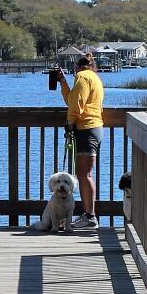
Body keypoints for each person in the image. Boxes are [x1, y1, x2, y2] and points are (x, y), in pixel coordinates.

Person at [52, 49, 105, 232]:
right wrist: (63, 82)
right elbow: (72, 99)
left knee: (85, 174)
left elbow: (76, 104)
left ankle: (90, 217)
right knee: (84, 174)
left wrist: (70, 123)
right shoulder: (94, 77)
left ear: (76, 66)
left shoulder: (82, 77)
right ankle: (88, 215)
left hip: (87, 129)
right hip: (94, 128)